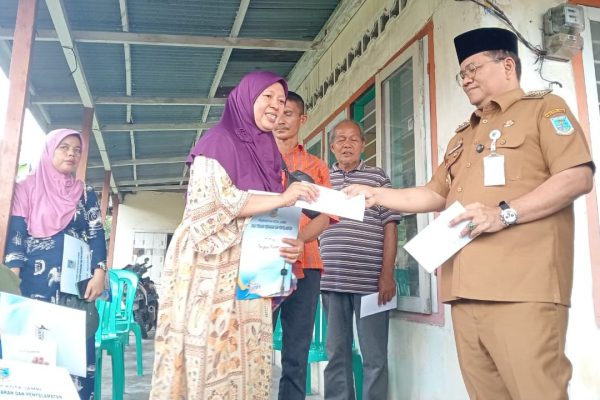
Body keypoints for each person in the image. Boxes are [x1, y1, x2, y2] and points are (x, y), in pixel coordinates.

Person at [344, 27, 594, 400]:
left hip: (522, 289)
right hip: (464, 292)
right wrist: (377, 194)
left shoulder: (544, 109)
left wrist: (504, 214)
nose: (466, 80)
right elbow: (433, 193)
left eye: (473, 69)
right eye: (461, 73)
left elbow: (577, 176)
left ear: (507, 65)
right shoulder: (463, 136)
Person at [149, 71, 319, 400]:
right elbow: (207, 210)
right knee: (213, 355)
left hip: (253, 272)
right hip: (212, 271)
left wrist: (285, 246)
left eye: (281, 100)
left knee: (248, 358)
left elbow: (268, 214)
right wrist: (283, 199)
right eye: (267, 97)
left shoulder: (268, 152)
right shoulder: (218, 142)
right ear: (246, 98)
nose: (275, 106)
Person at [4, 128, 108, 400]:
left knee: (74, 353)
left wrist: (99, 272)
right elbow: (16, 235)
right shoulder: (26, 187)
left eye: (76, 149)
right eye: (64, 147)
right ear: (50, 150)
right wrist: (12, 283)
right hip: (33, 285)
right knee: (33, 353)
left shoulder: (85, 193)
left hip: (76, 287)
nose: (71, 154)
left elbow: (96, 233)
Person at [319, 119, 401, 400]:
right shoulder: (322, 179)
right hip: (331, 280)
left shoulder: (377, 178)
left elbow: (391, 226)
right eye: (341, 139)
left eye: (353, 139)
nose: (347, 144)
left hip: (372, 283)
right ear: (332, 146)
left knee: (374, 356)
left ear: (363, 145)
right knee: (336, 354)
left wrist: (387, 275)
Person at [272, 91, 336, 399]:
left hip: (306, 265)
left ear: (302, 119)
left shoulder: (316, 165)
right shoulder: (255, 159)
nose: (281, 119)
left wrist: (300, 239)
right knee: (252, 346)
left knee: (296, 354)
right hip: (261, 264)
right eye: (277, 112)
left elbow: (326, 215)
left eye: (288, 113)